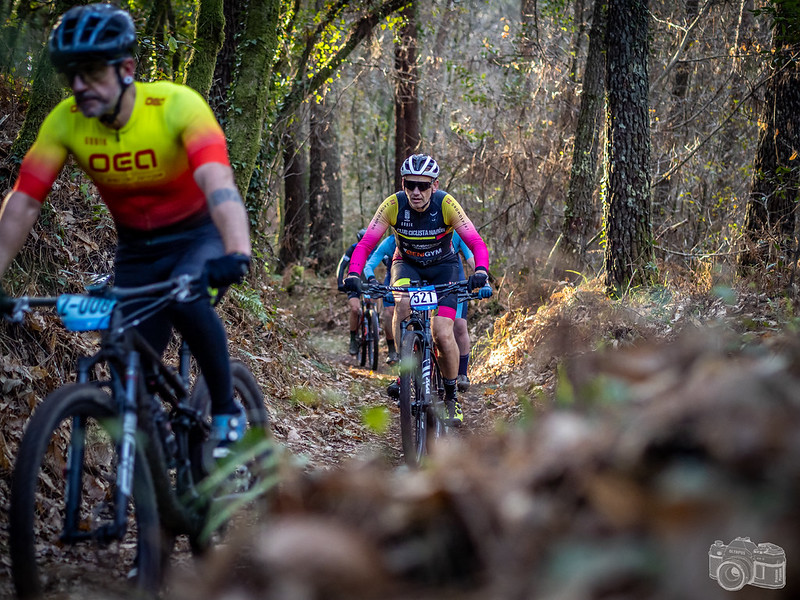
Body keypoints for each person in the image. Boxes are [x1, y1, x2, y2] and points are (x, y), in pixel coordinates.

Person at [0, 4, 251, 454]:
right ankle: (154, 468)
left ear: (127, 68)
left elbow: (218, 185)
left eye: (92, 72)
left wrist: (236, 251)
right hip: (138, 252)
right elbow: (23, 202)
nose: (79, 86)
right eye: (70, 74)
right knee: (127, 372)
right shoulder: (66, 120)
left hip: (201, 237)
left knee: (189, 299)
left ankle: (227, 408)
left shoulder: (176, 107)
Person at [344, 154, 489, 427]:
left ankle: (450, 396)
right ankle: (405, 371)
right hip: (406, 265)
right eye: (410, 185)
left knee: (443, 334)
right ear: (403, 183)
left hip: (444, 269)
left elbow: (475, 241)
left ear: (434, 185)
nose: (416, 192)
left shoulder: (446, 204)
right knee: (401, 306)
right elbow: (365, 245)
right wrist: (354, 273)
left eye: (423, 186)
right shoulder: (393, 205)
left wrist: (480, 270)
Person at [364, 232, 477, 374]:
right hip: (417, 279)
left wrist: (481, 276)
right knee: (410, 316)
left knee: (458, 326)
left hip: (451, 279)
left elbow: (472, 258)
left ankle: (461, 374)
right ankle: (405, 362)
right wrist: (372, 280)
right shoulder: (392, 241)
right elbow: (371, 264)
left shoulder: (456, 232)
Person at [336, 228, 368, 355]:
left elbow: (386, 261)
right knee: (355, 309)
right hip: (353, 282)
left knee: (373, 301)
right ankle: (353, 338)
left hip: (368, 282)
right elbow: (342, 266)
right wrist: (340, 282)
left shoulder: (374, 249)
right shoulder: (352, 249)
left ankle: (373, 322)